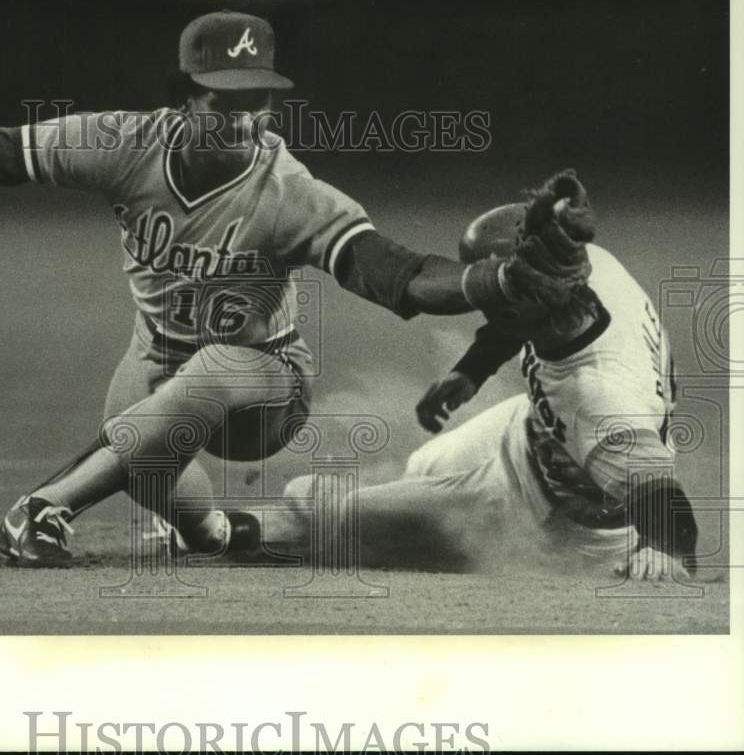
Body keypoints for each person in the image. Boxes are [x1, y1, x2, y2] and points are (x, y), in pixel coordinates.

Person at [0, 10, 583, 568]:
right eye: (224, 100)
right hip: (155, 362)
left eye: (258, 102)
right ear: (185, 93)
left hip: (266, 386)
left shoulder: (291, 193)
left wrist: (493, 278)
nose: (243, 119)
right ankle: (212, 536)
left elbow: (400, 275)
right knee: (155, 474)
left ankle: (44, 507)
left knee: (214, 368)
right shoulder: (123, 144)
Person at [284, 176, 699, 581]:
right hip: (533, 432)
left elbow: (661, 494)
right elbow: (519, 314)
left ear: (524, 303)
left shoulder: (598, 398)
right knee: (423, 465)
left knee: (341, 517)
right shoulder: (586, 269)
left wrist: (665, 549)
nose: (485, 301)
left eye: (497, 295)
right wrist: (470, 371)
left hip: (555, 518)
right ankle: (419, 500)